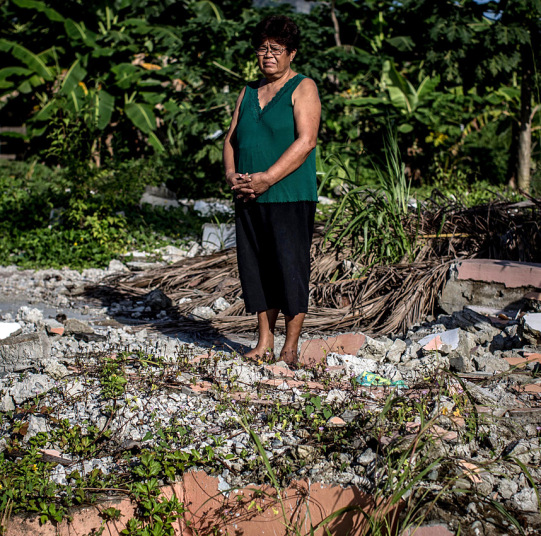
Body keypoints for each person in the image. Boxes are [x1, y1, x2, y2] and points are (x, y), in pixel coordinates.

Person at [223, 15, 320, 368]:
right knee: (257, 268)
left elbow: (306, 141)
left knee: (289, 268)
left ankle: (290, 347)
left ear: (291, 53)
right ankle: (264, 341)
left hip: (289, 195)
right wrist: (233, 175)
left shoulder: (303, 87)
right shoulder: (248, 91)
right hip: (249, 195)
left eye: (276, 49)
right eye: (262, 48)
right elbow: (232, 138)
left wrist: (268, 177)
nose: (267, 55)